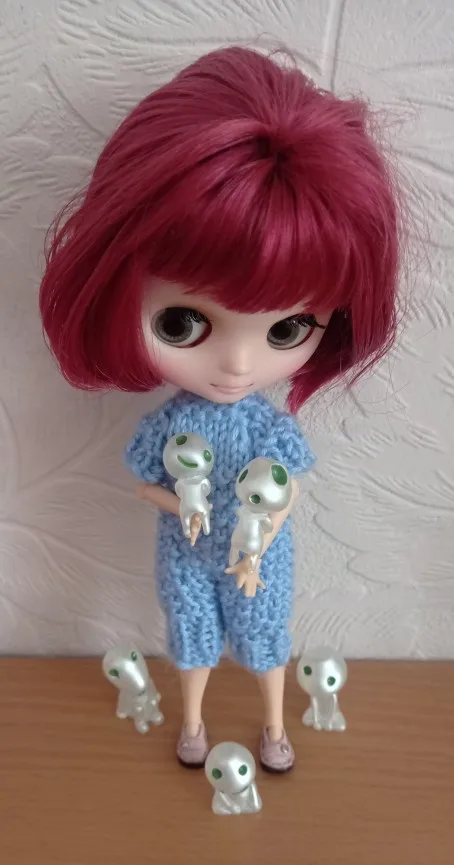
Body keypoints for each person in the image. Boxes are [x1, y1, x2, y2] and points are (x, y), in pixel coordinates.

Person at [39, 46, 402, 772]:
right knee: (191, 636)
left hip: (257, 555)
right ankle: (194, 722)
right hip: (185, 552)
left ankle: (274, 727)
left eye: (286, 328)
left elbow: (288, 489)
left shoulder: (270, 428)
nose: (238, 364)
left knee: (266, 638)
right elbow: (145, 485)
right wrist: (181, 506)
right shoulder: (168, 428)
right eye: (182, 323)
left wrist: (258, 541)